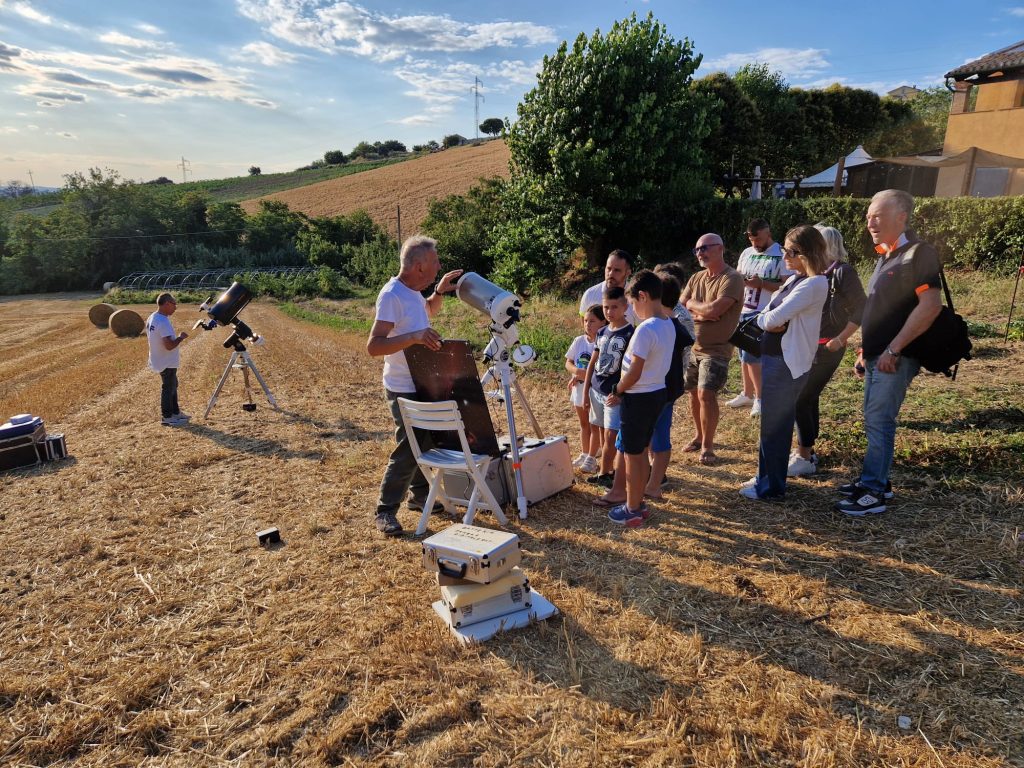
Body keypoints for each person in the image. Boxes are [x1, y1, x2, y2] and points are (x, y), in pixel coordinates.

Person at [835, 190, 941, 516]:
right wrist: (864, 350)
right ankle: (876, 479)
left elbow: (930, 306)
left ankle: (874, 491)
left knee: (880, 421)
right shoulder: (886, 255)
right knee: (873, 419)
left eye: (878, 216)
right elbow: (879, 310)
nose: (870, 223)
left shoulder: (918, 253)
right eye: (868, 217)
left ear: (901, 217)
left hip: (895, 357)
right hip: (876, 355)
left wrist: (893, 349)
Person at [366, 235, 463, 537]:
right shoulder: (391, 295)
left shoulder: (413, 292)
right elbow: (374, 346)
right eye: (435, 261)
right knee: (410, 445)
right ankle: (385, 510)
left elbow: (428, 311)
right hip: (402, 386)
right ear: (419, 266)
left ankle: (420, 497)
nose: (439, 265)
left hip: (421, 380)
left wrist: (439, 291)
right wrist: (413, 338)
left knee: (425, 439)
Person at [739, 225, 828, 500]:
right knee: (772, 424)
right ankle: (766, 476)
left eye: (791, 251)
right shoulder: (795, 280)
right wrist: (771, 319)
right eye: (785, 250)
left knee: (775, 428)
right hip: (775, 358)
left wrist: (772, 320)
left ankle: (771, 487)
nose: (785, 256)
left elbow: (771, 319)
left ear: (808, 253)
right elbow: (766, 313)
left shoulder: (815, 283)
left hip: (786, 363)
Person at [787, 225, 867, 477]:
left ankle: (804, 455)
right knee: (808, 397)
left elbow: (862, 308)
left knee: (800, 397)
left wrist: (841, 339)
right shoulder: (814, 274)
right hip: (809, 346)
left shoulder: (842, 272)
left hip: (827, 347)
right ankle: (807, 449)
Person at [604, 270, 676, 527]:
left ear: (643, 296)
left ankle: (632, 508)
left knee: (632, 455)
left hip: (639, 397)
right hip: (656, 393)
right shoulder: (668, 323)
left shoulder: (646, 329)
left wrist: (618, 390)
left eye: (633, 302)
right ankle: (638, 501)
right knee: (641, 451)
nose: (632, 308)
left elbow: (634, 372)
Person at [680, 233, 744, 466]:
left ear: (720, 249)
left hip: (717, 349)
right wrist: (701, 311)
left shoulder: (732, 278)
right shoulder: (696, 277)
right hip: (693, 348)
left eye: (705, 248)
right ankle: (699, 436)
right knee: (693, 393)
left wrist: (697, 309)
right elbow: (682, 304)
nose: (700, 253)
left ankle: (708, 446)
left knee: (706, 394)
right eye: (697, 249)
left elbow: (715, 310)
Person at [727, 219, 790, 417]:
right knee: (743, 355)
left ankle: (761, 398)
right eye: (752, 240)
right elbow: (737, 276)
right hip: (743, 310)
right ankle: (747, 393)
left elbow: (787, 285)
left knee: (752, 356)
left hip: (764, 311)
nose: (755, 244)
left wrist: (761, 283)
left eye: (759, 239)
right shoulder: (747, 253)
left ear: (768, 233)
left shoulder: (781, 254)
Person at [643, 266, 695, 498]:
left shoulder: (665, 325)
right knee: (659, 435)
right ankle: (654, 479)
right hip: (670, 387)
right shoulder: (675, 323)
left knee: (650, 435)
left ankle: (653, 478)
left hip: (657, 388)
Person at [581, 286, 634, 487]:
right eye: (606, 307)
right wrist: (586, 392)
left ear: (625, 307)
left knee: (612, 435)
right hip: (596, 391)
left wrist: (621, 392)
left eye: (614, 307)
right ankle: (608, 470)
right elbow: (592, 364)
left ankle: (606, 474)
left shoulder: (631, 333)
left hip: (614, 395)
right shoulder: (602, 331)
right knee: (603, 433)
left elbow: (632, 369)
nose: (609, 312)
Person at [565, 304, 606, 474]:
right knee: (584, 424)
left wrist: (585, 375)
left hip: (594, 390)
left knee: (594, 424)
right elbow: (569, 362)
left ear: (603, 322)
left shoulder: (603, 342)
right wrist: (577, 372)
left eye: (592, 321)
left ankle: (592, 457)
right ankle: (585, 453)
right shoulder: (579, 341)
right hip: (579, 388)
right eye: (586, 320)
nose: (587, 324)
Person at [146, 293, 190, 426]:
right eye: (174, 304)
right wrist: (181, 337)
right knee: (168, 388)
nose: (175, 307)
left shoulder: (153, 317)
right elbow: (169, 346)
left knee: (172, 386)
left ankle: (175, 412)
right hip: (166, 361)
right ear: (166, 304)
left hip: (159, 358)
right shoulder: (163, 322)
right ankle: (167, 417)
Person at [579, 249, 638, 324]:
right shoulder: (590, 294)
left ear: (628, 273)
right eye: (609, 268)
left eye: (617, 270)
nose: (610, 273)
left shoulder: (636, 298)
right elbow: (585, 326)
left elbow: (642, 328)